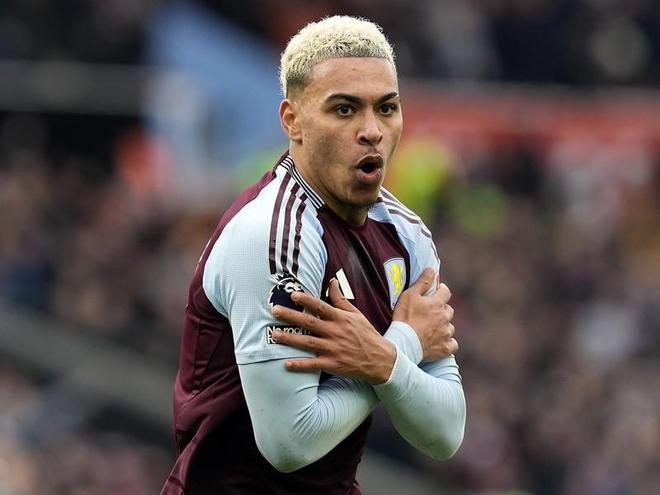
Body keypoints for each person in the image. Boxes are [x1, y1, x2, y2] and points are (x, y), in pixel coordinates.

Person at [161, 15, 466, 495]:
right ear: (292, 120)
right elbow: (289, 442)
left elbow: (445, 432)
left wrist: (381, 358)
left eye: (386, 108)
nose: (372, 130)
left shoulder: (408, 236)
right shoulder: (274, 235)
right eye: (344, 110)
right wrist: (400, 347)